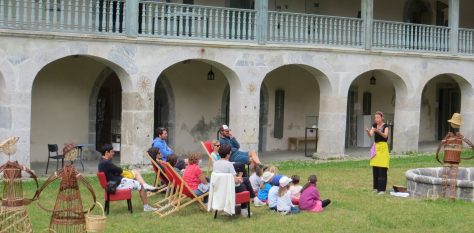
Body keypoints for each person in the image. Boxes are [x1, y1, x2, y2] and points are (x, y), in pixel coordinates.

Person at [98, 144, 158, 212]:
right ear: (107, 152)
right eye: (112, 152)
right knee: (142, 186)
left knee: (135, 176)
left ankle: (146, 186)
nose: (113, 153)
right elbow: (119, 170)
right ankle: (146, 207)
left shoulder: (101, 161)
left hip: (113, 184)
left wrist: (117, 172)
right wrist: (117, 172)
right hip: (117, 184)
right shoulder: (106, 163)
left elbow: (115, 171)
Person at [213, 144, 255, 216]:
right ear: (228, 154)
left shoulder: (215, 164)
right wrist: (239, 179)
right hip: (230, 188)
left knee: (244, 180)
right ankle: (245, 207)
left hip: (220, 188)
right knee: (244, 183)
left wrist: (238, 179)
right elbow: (235, 182)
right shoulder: (229, 165)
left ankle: (250, 199)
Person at [365, 111, 390, 194]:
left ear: (382, 117)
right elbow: (370, 135)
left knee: (382, 169)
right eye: (375, 117)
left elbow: (385, 136)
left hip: (383, 148)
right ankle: (376, 188)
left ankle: (382, 189)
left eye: (378, 117)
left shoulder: (385, 126)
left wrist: (378, 131)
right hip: (376, 148)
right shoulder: (374, 125)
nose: (376, 119)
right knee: (375, 168)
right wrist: (368, 131)